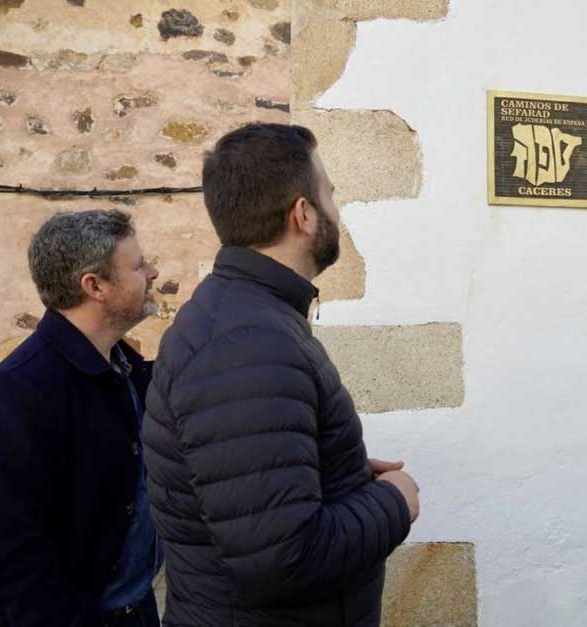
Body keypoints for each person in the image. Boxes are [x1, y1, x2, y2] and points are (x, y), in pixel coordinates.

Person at [143, 123, 420, 627]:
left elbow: (257, 496)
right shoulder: (247, 344)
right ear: (303, 214)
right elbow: (281, 559)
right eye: (330, 195)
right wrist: (393, 503)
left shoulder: (248, 320)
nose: (338, 210)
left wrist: (343, 473)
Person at [0, 209, 162, 627]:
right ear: (95, 286)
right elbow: (9, 561)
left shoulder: (124, 369)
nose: (153, 272)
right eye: (138, 264)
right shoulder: (16, 395)